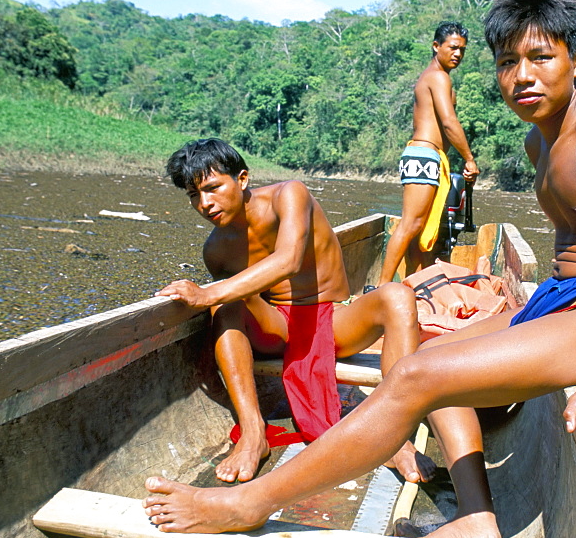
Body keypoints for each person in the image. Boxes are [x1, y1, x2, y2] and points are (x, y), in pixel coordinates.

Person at [143, 0, 576, 538]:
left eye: (541, 58)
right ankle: (477, 520)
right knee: (425, 355)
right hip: (562, 297)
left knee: (421, 377)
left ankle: (249, 503)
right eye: (507, 61)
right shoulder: (539, 141)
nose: (522, 75)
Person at [155, 138, 435, 485]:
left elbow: (288, 260)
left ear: (241, 179)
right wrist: (213, 297)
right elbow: (240, 302)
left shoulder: (291, 194)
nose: (205, 203)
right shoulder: (215, 249)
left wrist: (206, 293)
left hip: (335, 319)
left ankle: (394, 433)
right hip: (279, 328)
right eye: (194, 196)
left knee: (397, 296)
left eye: (212, 188)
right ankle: (254, 431)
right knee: (227, 306)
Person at [376, 22, 480, 287]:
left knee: (422, 228)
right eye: (453, 47)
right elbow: (448, 122)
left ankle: (413, 284)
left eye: (462, 50)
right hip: (422, 155)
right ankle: (380, 288)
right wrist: (468, 158)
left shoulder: (438, 77)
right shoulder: (437, 77)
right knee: (411, 224)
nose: (458, 54)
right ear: (436, 46)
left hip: (431, 157)